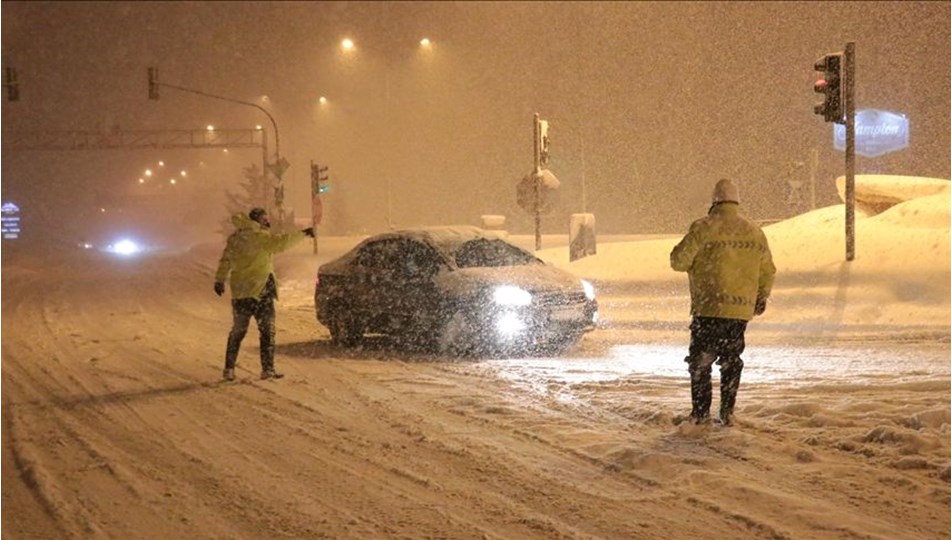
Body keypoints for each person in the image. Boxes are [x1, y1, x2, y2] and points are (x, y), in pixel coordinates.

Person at [670, 179, 776, 426]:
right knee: (731, 360)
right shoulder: (754, 232)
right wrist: (761, 296)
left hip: (709, 307)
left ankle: (700, 414)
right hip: (739, 310)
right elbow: (768, 270)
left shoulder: (703, 228)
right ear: (737, 202)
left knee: (701, 362)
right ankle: (727, 412)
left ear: (714, 201)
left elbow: (678, 261)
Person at [214, 207, 315, 381]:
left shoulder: (235, 239)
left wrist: (220, 279)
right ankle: (267, 369)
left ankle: (229, 369)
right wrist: (303, 234)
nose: (268, 221)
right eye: (265, 218)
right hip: (261, 290)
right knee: (267, 331)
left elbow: (226, 260)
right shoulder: (259, 237)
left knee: (238, 331)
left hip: (240, 293)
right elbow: (281, 243)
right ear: (258, 220)